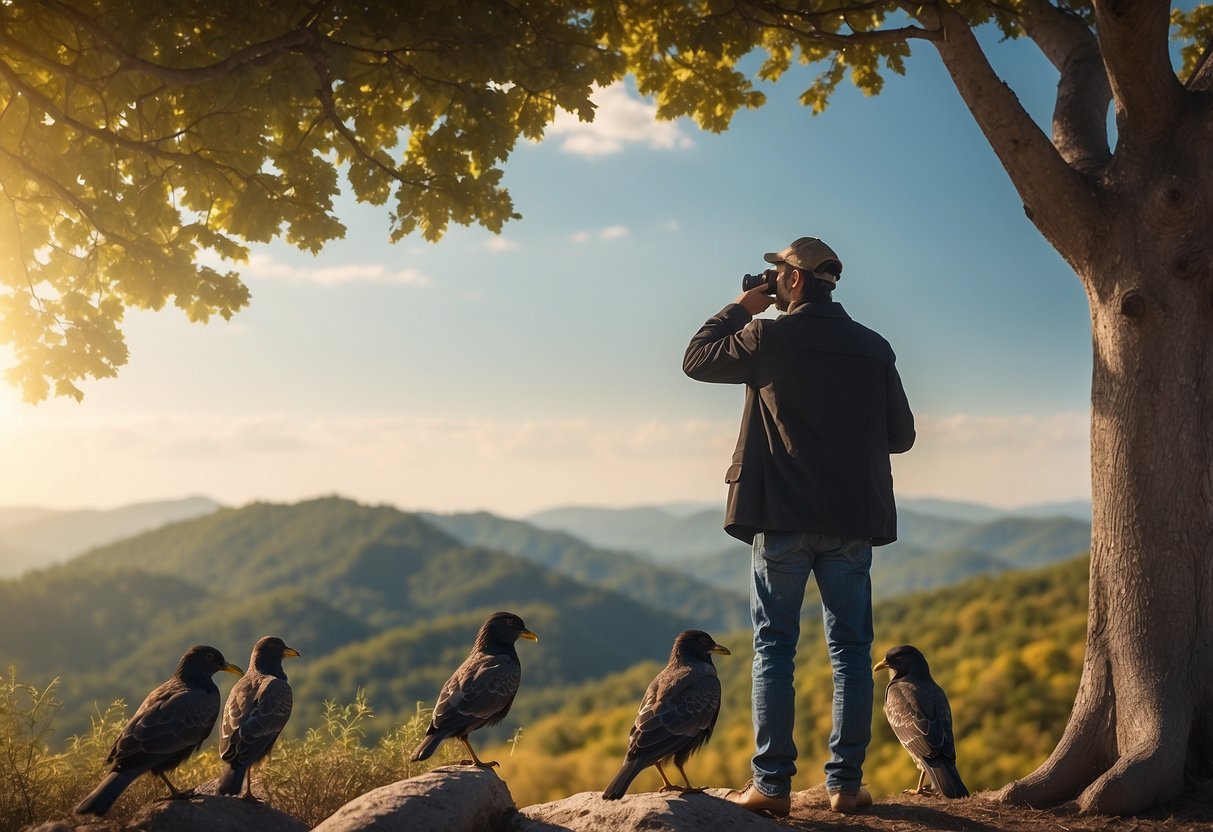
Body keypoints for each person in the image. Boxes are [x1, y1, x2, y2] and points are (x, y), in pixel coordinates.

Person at [683, 236, 915, 816]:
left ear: (790, 281)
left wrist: (741, 306)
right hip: (852, 520)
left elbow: (696, 359)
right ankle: (846, 786)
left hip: (781, 517)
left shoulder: (766, 336)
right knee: (852, 651)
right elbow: (901, 435)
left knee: (774, 649)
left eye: (777, 274)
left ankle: (771, 787)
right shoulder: (873, 346)